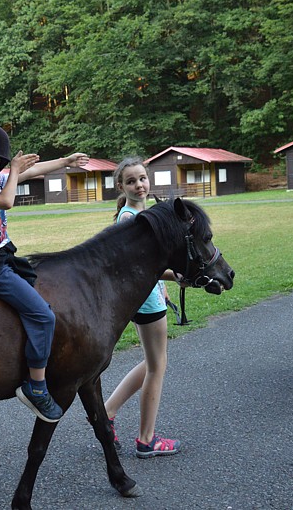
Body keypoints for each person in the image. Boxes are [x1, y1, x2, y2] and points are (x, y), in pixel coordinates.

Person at [0, 122, 89, 423]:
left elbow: (31, 172)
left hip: (2, 257)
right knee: (44, 315)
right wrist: (10, 171)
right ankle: (36, 385)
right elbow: (7, 201)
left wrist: (65, 161)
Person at [102, 157, 183, 458]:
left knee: (153, 362)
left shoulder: (138, 213)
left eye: (142, 178)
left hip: (149, 296)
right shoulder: (131, 220)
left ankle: (106, 412)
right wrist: (176, 275)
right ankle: (147, 440)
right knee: (157, 366)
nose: (139, 185)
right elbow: (138, 267)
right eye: (131, 181)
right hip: (146, 300)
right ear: (121, 186)